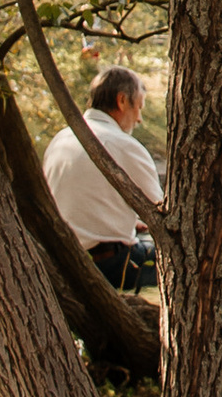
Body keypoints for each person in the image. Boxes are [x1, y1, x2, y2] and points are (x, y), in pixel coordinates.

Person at [42, 66, 163, 294]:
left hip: (61, 260)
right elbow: (164, 218)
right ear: (122, 101)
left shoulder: (61, 139)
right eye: (139, 107)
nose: (139, 119)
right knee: (191, 264)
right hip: (108, 264)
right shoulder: (123, 145)